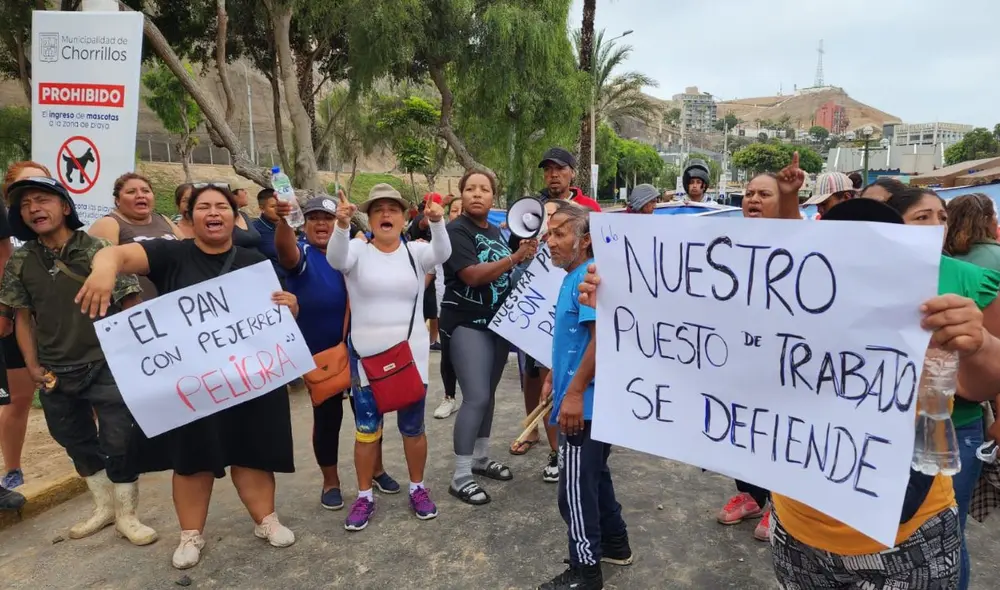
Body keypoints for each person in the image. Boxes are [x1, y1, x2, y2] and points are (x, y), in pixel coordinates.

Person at [76, 184, 298, 569]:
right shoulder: (170, 255)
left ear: (234, 217)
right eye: (203, 207)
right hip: (193, 385)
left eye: (221, 207)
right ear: (189, 218)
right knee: (192, 459)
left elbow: (274, 311)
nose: (213, 213)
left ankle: (267, 520)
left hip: (248, 379)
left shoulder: (253, 261)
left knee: (254, 451)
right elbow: (114, 253)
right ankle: (190, 534)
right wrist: (104, 268)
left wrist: (290, 306)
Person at [0, 176, 156, 546]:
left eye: (42, 199)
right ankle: (104, 508)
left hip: (106, 364)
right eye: (26, 204)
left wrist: (141, 356)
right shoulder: (21, 260)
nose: (34, 208)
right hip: (55, 370)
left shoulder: (97, 249)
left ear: (65, 206)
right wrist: (32, 364)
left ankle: (128, 516)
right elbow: (22, 317)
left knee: (118, 440)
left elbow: (131, 303)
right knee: (72, 439)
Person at [327, 183, 451, 531]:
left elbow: (442, 253)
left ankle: (418, 488)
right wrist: (340, 225)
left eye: (393, 209)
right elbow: (336, 259)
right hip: (368, 360)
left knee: (413, 429)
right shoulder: (356, 250)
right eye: (378, 209)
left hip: (410, 360)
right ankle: (364, 495)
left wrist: (438, 221)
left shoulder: (416, 251)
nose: (385, 214)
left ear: (403, 217)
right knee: (367, 430)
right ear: (368, 218)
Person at [273, 195, 400, 511]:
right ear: (304, 224)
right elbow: (285, 252)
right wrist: (283, 222)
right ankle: (330, 482)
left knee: (370, 413)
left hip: (364, 350)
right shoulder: (302, 253)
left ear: (337, 222)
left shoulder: (354, 253)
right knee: (328, 420)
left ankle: (377, 470)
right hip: (323, 354)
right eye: (314, 218)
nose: (321, 224)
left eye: (328, 218)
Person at [537, 200, 630, 590]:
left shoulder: (586, 278)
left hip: (584, 408)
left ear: (586, 239)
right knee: (595, 477)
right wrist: (554, 376)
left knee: (574, 491)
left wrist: (573, 394)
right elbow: (574, 340)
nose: (550, 241)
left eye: (560, 233)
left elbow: (601, 340)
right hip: (587, 402)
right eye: (549, 233)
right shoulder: (575, 276)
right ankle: (615, 544)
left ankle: (585, 571)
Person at [442, 170, 535, 506]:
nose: (477, 194)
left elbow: (508, 272)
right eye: (470, 189)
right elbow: (471, 276)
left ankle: (480, 459)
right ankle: (460, 476)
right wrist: (514, 258)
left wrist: (522, 255)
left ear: (493, 196)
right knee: (476, 397)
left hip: (497, 325)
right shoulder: (456, 231)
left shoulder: (495, 231)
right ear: (461, 195)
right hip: (468, 324)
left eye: (484, 189)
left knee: (488, 396)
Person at [0, 161, 51, 493]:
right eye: (25, 185)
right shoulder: (6, 224)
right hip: (16, 318)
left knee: (84, 391)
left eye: (42, 184)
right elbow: (3, 261)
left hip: (59, 321)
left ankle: (94, 456)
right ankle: (13, 468)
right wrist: (5, 312)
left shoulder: (64, 224)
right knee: (18, 398)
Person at [88, 173, 183, 299]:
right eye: (131, 192)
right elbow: (99, 268)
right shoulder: (109, 223)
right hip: (136, 305)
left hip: (179, 301)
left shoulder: (164, 219)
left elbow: (190, 251)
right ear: (117, 200)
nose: (140, 195)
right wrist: (129, 298)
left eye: (146, 191)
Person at [432, 197, 465, 420]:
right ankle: (449, 396)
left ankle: (473, 398)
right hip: (446, 304)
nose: (458, 214)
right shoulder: (439, 241)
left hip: (472, 307)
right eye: (454, 210)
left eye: (462, 210)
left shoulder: (477, 239)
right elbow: (429, 272)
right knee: (448, 353)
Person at [406, 193, 444, 352]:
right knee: (423, 309)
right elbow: (423, 223)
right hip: (422, 267)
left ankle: (432, 340)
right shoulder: (421, 219)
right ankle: (415, 338)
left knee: (432, 311)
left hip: (428, 267)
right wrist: (434, 218)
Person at [538, 148, 602, 212]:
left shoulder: (590, 206)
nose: (553, 174)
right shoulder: (536, 206)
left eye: (560, 168)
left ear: (573, 173)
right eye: (547, 169)